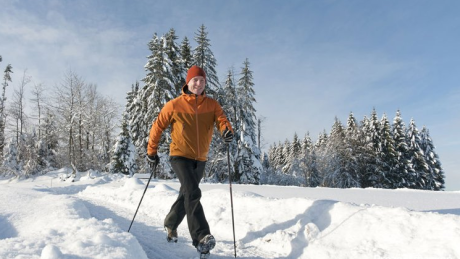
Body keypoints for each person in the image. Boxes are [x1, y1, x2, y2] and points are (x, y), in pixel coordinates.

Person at [146, 65, 233, 257]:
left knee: (186, 193)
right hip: (179, 156)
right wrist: (151, 151)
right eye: (195, 80)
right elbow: (158, 126)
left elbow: (222, 120)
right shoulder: (175, 105)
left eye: (202, 81)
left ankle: (170, 223)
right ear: (188, 82)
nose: (199, 84)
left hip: (200, 158)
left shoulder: (211, 104)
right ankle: (202, 237)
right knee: (193, 193)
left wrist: (227, 130)